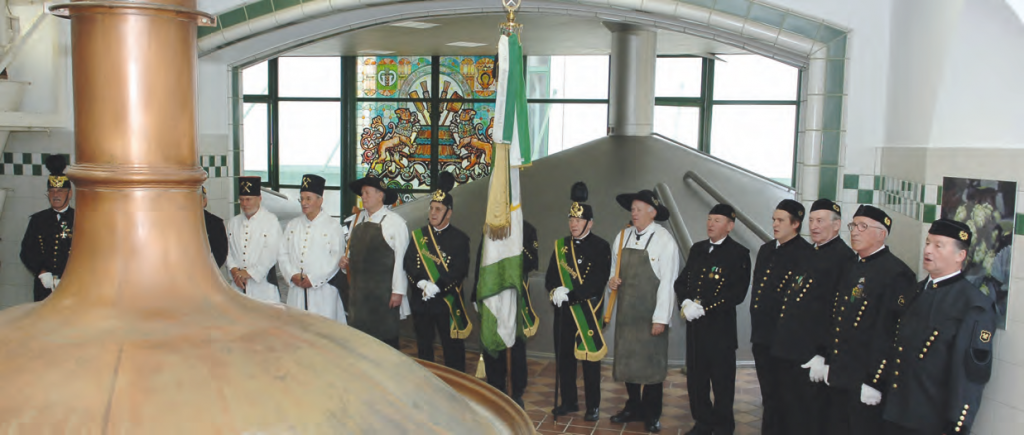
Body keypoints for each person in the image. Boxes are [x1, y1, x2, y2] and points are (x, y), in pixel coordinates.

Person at [882, 219, 997, 435]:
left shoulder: (972, 305)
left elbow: (970, 376)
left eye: (938, 245)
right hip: (896, 413)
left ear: (959, 255)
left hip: (931, 422)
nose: (928, 250)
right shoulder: (915, 292)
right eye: (928, 243)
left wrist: (958, 425)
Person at [825, 205, 916, 435]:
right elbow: (839, 319)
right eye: (853, 225)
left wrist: (876, 380)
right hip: (841, 374)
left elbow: (892, 333)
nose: (855, 231)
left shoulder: (897, 274)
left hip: (866, 379)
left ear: (881, 233)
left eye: (863, 227)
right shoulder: (851, 266)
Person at [771, 198, 854, 435]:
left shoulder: (843, 258)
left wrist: (823, 353)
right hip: (789, 348)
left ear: (836, 226)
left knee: (808, 417)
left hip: (812, 353)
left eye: (820, 221)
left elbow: (837, 313)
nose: (814, 226)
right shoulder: (810, 252)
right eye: (811, 221)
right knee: (786, 410)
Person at [606, 189, 681, 433]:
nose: (633, 213)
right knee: (628, 363)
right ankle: (633, 407)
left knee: (651, 367)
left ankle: (652, 413)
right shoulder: (622, 236)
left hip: (651, 317)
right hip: (627, 315)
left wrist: (660, 319)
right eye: (632, 209)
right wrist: (612, 281)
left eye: (638, 209)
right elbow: (613, 272)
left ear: (653, 212)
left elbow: (668, 283)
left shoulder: (665, 240)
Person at [675, 203, 751, 435]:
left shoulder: (739, 254)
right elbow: (682, 282)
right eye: (709, 219)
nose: (710, 224)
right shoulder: (697, 249)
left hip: (720, 331)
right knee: (696, 380)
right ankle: (703, 422)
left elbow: (737, 294)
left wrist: (704, 307)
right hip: (696, 329)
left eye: (717, 220)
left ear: (730, 226)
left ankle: (724, 425)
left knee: (722, 382)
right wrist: (685, 302)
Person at [546, 182, 611, 422]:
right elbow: (552, 276)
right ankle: (569, 401)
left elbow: (596, 281)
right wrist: (554, 291)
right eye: (571, 220)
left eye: (578, 221)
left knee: (589, 361)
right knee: (565, 360)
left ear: (589, 223)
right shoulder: (560, 246)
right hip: (564, 313)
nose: (573, 224)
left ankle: (593, 405)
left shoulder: (601, 246)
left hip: (587, 312)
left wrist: (570, 294)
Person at [749, 199, 812, 435]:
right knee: (768, 394)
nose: (775, 224)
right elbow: (759, 291)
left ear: (795, 224)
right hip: (762, 335)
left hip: (785, 340)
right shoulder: (767, 250)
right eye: (774, 220)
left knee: (786, 396)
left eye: (780, 220)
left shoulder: (805, 254)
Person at [404, 172, 471, 371]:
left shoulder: (460, 239)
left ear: (448, 212)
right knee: (424, 350)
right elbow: (409, 263)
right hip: (422, 301)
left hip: (446, 302)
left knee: (453, 350)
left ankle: (457, 387)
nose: (433, 213)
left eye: (438, 209)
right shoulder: (418, 235)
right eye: (431, 208)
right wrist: (421, 283)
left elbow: (459, 270)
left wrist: (438, 286)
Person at [473, 220, 538, 409]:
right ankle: (496, 389)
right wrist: (475, 296)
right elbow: (481, 261)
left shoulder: (526, 228)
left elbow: (532, 261)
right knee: (492, 340)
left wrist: (512, 240)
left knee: (515, 345)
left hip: (513, 296)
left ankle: (516, 393)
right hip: (491, 296)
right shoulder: (490, 226)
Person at [341, 176, 410, 348]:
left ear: (381, 195)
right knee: (359, 341)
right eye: (362, 193)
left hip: (383, 296)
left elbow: (401, 260)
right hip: (358, 296)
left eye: (367, 193)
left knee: (385, 342)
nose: (363, 197)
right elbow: (351, 256)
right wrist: (344, 263)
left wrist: (398, 291)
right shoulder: (355, 221)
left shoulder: (395, 224)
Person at [278, 174, 345, 322]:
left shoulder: (333, 226)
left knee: (323, 334)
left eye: (308, 198)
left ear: (320, 200)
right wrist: (292, 275)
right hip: (296, 290)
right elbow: (283, 254)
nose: (304, 203)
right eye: (301, 198)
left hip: (323, 292)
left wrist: (313, 280)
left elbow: (335, 259)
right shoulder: (293, 225)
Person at [20, 155, 75, 302]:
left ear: (69, 194)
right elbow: (27, 251)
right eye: (51, 191)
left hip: (73, 287)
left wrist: (70, 277)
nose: (55, 195)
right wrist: (41, 271)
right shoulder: (38, 220)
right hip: (43, 288)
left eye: (60, 191)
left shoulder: (79, 220)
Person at [225, 176, 282, 303]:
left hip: (263, 287)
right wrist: (235, 271)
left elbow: (272, 253)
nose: (245, 204)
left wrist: (250, 273)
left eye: (248, 199)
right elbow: (227, 251)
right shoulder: (233, 222)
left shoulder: (271, 221)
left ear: (259, 199)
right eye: (242, 200)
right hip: (237, 285)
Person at [202, 185, 228, 268]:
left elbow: (220, 254)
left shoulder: (215, 223)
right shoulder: (179, 223)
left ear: (204, 201)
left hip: (207, 272)